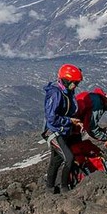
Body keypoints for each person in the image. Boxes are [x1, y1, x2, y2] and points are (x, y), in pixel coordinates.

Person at [43, 64, 83, 194]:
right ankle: (64, 188)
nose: (75, 86)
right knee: (69, 158)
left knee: (56, 160)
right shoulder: (55, 94)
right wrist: (69, 121)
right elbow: (51, 118)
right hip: (54, 131)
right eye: (74, 83)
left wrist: (73, 122)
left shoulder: (67, 91)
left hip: (62, 130)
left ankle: (49, 189)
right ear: (66, 80)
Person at [75, 86, 107, 151]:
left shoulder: (96, 98)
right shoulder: (98, 104)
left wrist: (101, 130)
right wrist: (106, 139)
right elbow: (91, 128)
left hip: (71, 126)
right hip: (68, 128)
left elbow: (89, 121)